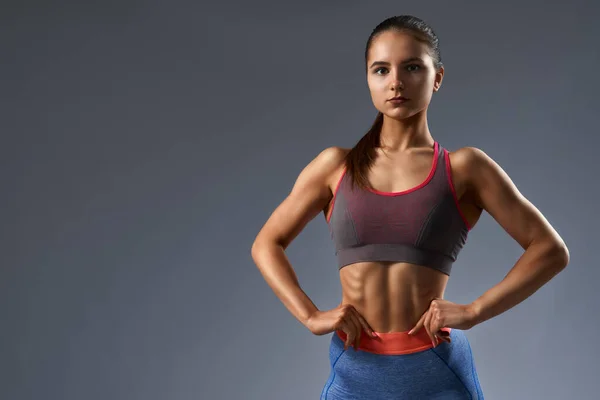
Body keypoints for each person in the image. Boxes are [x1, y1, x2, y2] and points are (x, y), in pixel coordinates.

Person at [250, 15, 569, 400]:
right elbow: (267, 243)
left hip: (435, 372)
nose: (396, 81)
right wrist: (310, 315)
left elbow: (550, 250)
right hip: (354, 371)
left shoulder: (465, 169)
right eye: (381, 69)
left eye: (413, 67)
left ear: (437, 77)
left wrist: (475, 310)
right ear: (368, 79)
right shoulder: (335, 166)